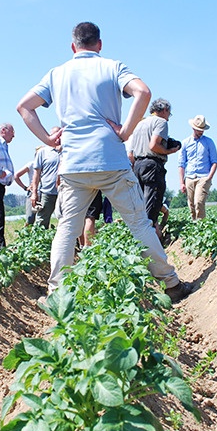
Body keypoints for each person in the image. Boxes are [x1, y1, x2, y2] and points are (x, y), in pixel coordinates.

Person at [16, 21, 193, 301]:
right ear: (99, 44)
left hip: (74, 163)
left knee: (67, 228)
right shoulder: (112, 67)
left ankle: (56, 294)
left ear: (73, 47)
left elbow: (23, 107)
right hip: (110, 159)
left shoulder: (56, 73)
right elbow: (143, 92)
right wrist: (124, 132)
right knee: (139, 224)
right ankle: (171, 285)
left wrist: (49, 141)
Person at [131, 99, 181, 226]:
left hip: (137, 165)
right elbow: (153, 145)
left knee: (141, 205)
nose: (168, 118)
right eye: (169, 113)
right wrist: (169, 150)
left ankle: (140, 235)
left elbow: (131, 152)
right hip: (152, 165)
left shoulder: (140, 123)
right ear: (164, 110)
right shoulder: (161, 122)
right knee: (152, 205)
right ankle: (150, 237)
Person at [178, 115, 217, 220]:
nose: (201, 132)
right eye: (199, 130)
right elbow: (181, 164)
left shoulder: (209, 142)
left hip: (203, 176)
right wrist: (182, 182)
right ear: (193, 128)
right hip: (189, 177)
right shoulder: (185, 143)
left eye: (202, 130)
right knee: (191, 205)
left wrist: (209, 177)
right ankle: (194, 226)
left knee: (198, 202)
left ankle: (201, 226)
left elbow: (215, 162)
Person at [29, 144, 61, 228]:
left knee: (67, 219)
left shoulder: (67, 150)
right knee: (41, 221)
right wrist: (34, 193)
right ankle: (38, 240)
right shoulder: (43, 152)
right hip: (47, 192)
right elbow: (36, 174)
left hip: (65, 192)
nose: (58, 139)